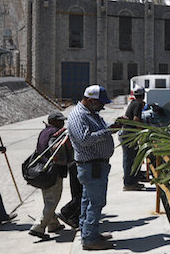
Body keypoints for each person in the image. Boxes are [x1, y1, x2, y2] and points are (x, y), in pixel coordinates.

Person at [67, 85, 119, 250]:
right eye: (100, 103)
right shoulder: (78, 115)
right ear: (90, 100)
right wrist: (109, 131)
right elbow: (85, 139)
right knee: (96, 203)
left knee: (88, 201)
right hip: (91, 166)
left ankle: (89, 233)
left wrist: (115, 124)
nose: (103, 106)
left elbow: (99, 129)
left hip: (95, 166)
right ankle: (90, 239)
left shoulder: (91, 114)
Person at [29, 111, 72, 240]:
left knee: (48, 198)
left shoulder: (44, 132)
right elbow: (57, 151)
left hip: (41, 170)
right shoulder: (56, 133)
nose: (63, 122)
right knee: (52, 200)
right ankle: (38, 226)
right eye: (60, 120)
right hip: (52, 170)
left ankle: (53, 224)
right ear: (52, 121)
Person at [120, 86, 145, 191]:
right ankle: (129, 183)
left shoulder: (133, 103)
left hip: (127, 135)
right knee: (130, 160)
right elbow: (136, 119)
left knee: (130, 159)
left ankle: (132, 181)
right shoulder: (138, 104)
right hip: (129, 136)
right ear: (143, 95)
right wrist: (143, 132)